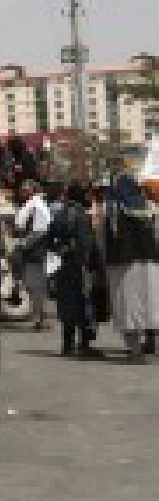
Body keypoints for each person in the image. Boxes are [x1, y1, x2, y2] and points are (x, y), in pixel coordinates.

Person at [101, 148, 159, 358]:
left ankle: (135, 350)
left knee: (128, 304)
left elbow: (107, 236)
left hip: (123, 262)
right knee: (151, 302)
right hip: (150, 260)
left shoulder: (113, 206)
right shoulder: (150, 206)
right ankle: (152, 343)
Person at [48, 183, 105, 358]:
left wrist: (61, 249)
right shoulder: (82, 216)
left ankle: (67, 344)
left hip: (64, 266)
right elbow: (87, 244)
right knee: (83, 304)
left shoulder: (59, 215)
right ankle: (84, 345)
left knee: (67, 304)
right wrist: (96, 265)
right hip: (81, 265)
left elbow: (49, 241)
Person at [10, 180, 55, 329]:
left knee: (36, 286)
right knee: (33, 286)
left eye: (26, 190)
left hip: (36, 253)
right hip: (30, 252)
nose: (22, 193)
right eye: (22, 190)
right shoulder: (30, 206)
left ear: (33, 191)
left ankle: (40, 318)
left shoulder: (38, 207)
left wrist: (22, 245)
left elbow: (40, 231)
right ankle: (39, 317)